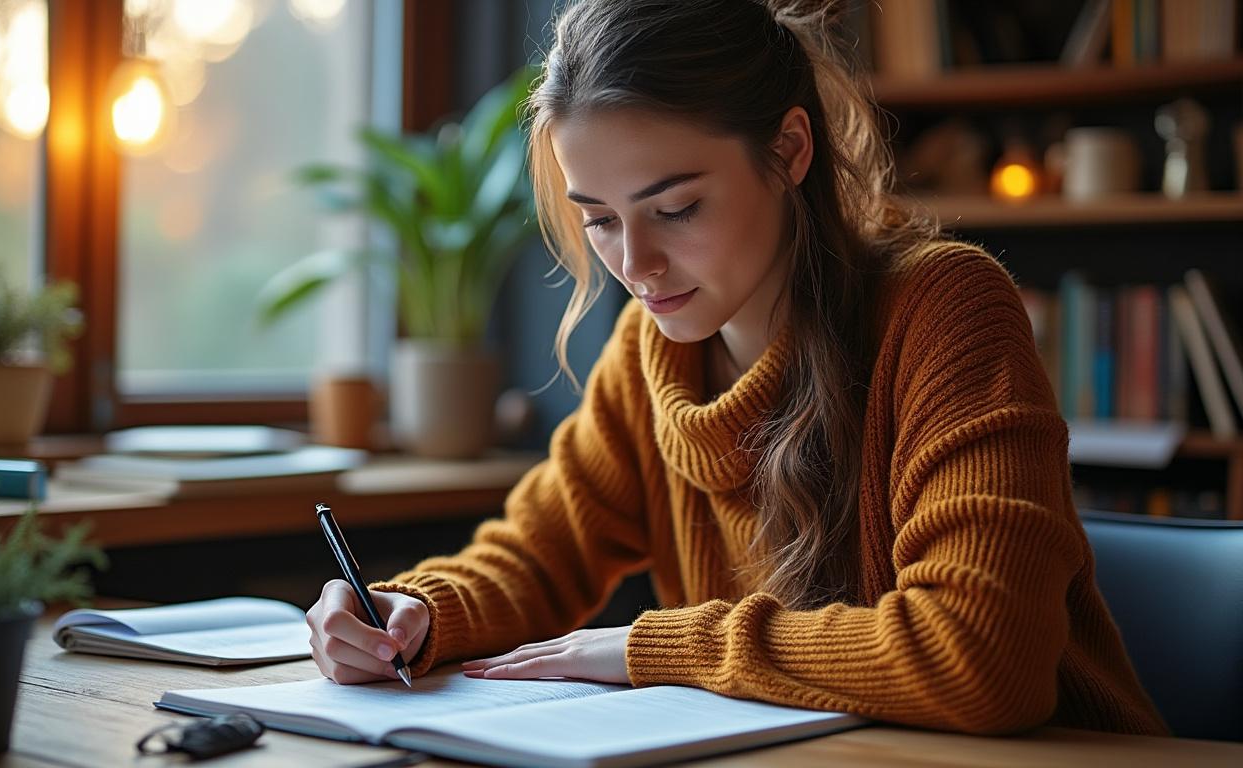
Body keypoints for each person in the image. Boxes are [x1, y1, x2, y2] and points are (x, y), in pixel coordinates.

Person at [307, 0, 1167, 736]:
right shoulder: (655, 355)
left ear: (790, 150)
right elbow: (534, 556)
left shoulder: (944, 310)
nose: (635, 265)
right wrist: (411, 615)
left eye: (676, 208)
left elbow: (980, 660)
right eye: (600, 219)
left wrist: (654, 649)